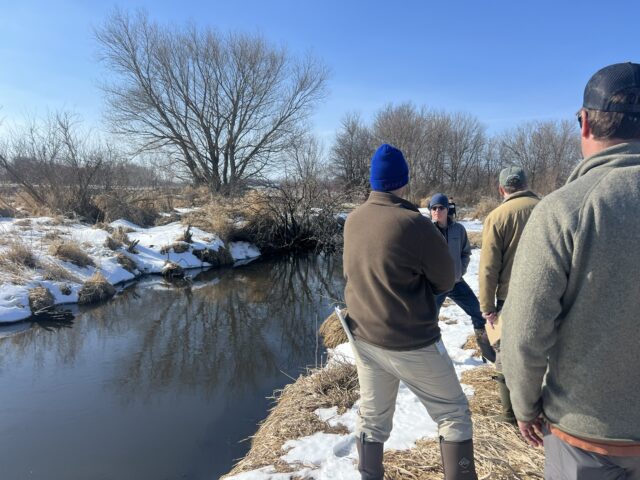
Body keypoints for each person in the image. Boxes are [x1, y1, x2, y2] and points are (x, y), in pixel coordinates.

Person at [502, 62, 640, 479]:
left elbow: (524, 332)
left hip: (586, 439)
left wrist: (524, 405)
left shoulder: (564, 210)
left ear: (585, 124)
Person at [344, 144, 478, 480]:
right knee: (453, 414)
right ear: (404, 181)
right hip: (412, 341)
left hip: (365, 338)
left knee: (372, 418)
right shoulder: (415, 225)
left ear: (374, 181)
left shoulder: (353, 220)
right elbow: (446, 278)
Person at [477, 167, 540, 423]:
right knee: (544, 351)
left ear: (501, 189)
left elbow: (488, 267)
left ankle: (509, 413)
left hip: (510, 298)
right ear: (526, 184)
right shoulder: (549, 208)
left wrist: (487, 306)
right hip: (549, 294)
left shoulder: (497, 216)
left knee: (504, 351)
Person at [429, 193, 495, 364]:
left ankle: (488, 354)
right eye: (433, 208)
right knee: (429, 321)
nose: (437, 211)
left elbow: (465, 253)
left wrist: (460, 270)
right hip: (435, 285)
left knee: (478, 313)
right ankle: (433, 357)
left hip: (456, 283)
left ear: (447, 210)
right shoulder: (426, 231)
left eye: (441, 208)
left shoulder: (458, 230)